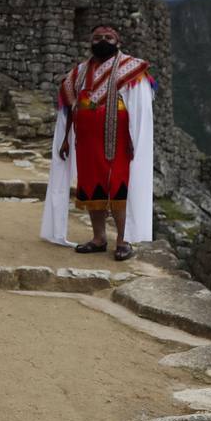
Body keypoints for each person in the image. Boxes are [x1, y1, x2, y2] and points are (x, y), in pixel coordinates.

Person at [40, 24, 155, 260]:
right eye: (97, 37)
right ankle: (99, 238)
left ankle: (124, 240)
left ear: (118, 42)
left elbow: (140, 108)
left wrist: (137, 139)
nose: (102, 41)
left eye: (108, 37)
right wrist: (64, 139)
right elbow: (70, 107)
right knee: (92, 189)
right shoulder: (79, 72)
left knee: (119, 188)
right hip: (86, 144)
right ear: (90, 42)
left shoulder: (130, 69)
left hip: (118, 143)